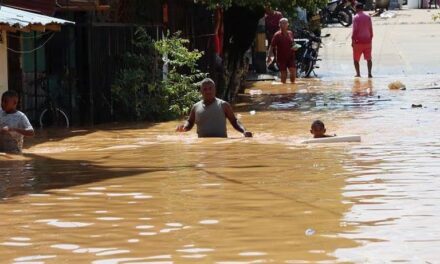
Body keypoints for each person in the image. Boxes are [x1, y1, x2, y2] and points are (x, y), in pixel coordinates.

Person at [176, 78, 252, 138]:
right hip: (202, 147)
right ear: (201, 91)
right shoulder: (196, 107)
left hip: (221, 145)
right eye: (205, 89)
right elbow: (190, 122)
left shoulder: (223, 105)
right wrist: (184, 127)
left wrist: (244, 131)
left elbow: (235, 121)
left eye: (210, 88)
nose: (208, 91)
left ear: (215, 90)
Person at [267, 18, 296, 84]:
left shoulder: (290, 33)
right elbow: (271, 46)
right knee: (284, 75)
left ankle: (293, 86)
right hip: (281, 58)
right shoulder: (277, 35)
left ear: (287, 24)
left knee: (293, 72)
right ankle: (283, 90)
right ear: (279, 25)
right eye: (282, 23)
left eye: (285, 23)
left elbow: (293, 43)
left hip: (291, 56)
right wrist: (269, 56)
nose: (284, 25)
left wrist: (295, 47)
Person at [352, 3, 374, 78]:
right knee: (369, 59)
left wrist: (353, 41)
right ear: (362, 8)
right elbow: (370, 29)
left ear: (356, 8)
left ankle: (358, 74)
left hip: (358, 42)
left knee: (356, 59)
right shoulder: (368, 17)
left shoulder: (356, 17)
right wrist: (370, 38)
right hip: (367, 41)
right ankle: (369, 73)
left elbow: (354, 31)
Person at [264, 7, 283, 71]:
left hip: (278, 34)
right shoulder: (266, 17)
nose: (266, 12)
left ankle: (278, 64)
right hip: (270, 35)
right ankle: (273, 64)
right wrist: (268, 35)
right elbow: (265, 28)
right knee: (272, 50)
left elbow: (282, 25)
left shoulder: (278, 15)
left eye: (267, 10)